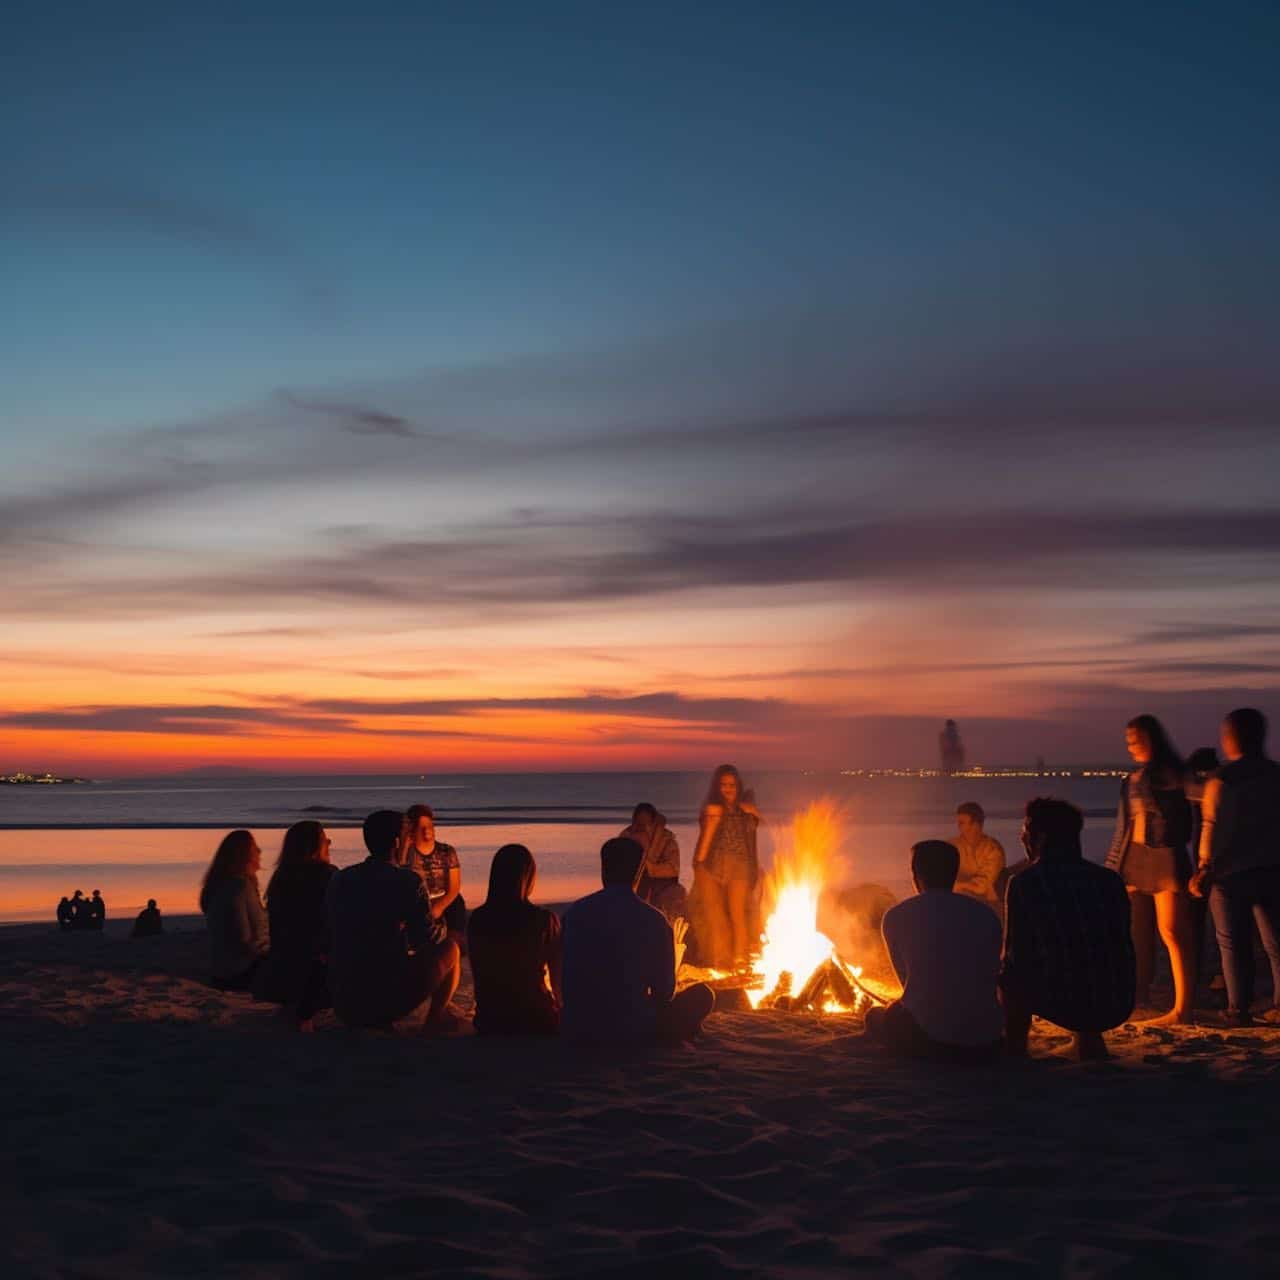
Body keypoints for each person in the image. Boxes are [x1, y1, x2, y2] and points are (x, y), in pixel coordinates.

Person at [1003, 797, 1136, 1059]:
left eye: (1025, 832)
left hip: (1065, 1001)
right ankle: (1090, 1040)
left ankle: (1015, 1048)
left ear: (1039, 837)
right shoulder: (1109, 880)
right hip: (1118, 1001)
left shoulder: (1025, 882)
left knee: (1008, 973)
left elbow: (1016, 954)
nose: (1022, 839)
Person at [562, 837, 714, 1047]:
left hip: (580, 1026)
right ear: (640, 872)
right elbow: (665, 992)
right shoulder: (655, 921)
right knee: (703, 995)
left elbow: (563, 978)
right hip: (632, 1027)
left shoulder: (575, 913)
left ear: (603, 870)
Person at [862, 841, 1003, 1062]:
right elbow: (990, 971)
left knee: (876, 1017)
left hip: (931, 1040)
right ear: (954, 874)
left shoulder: (896, 916)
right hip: (986, 1039)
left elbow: (906, 982)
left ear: (916, 875)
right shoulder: (985, 914)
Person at [326, 810, 460, 1032]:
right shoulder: (406, 881)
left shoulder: (341, 878)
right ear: (397, 842)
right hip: (383, 998)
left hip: (342, 998)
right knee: (450, 948)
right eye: (408, 837)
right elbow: (424, 939)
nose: (410, 842)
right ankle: (436, 1018)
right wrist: (444, 929)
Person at [1104, 714, 1196, 1024]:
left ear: (1153, 740)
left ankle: (1182, 1008)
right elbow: (1122, 829)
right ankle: (1134, 995)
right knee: (1130, 932)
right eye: (1128, 741)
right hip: (1134, 858)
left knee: (1171, 931)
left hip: (1165, 856)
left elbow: (1195, 811)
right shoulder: (1130, 780)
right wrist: (1111, 867)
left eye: (1137, 740)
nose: (1131, 746)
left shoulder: (1174, 776)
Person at [1191, 708, 1280, 1027]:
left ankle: (1238, 1009)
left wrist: (1204, 868)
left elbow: (1212, 827)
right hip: (1272, 866)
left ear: (1231, 737)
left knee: (1233, 943)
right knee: (1275, 942)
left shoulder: (1224, 779)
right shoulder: (1274, 774)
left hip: (1231, 873)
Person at [467, 844, 562, 1036]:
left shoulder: (477, 919)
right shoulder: (544, 919)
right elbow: (557, 978)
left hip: (490, 1020)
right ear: (529, 878)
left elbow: (479, 974)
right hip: (535, 1019)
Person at [253, 821, 337, 1028]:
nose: (329, 843)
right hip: (314, 968)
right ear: (316, 846)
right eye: (325, 840)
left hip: (280, 966)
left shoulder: (281, 877)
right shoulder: (327, 875)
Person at [691, 765, 761, 969]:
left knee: (737, 914)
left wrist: (753, 811)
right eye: (723, 785)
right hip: (716, 864)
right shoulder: (714, 809)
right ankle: (725, 960)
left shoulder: (745, 810)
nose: (727, 789)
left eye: (731, 785)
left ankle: (739, 959)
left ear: (738, 786)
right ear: (717, 787)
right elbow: (707, 837)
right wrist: (699, 863)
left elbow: (753, 836)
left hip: (740, 865)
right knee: (718, 916)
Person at [199, 830, 270, 990]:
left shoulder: (222, 885)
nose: (259, 851)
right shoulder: (238, 887)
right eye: (254, 848)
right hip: (239, 973)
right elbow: (242, 941)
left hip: (225, 970)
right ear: (243, 855)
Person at [403, 803, 467, 946]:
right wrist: (404, 847)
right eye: (422, 828)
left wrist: (439, 907)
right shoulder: (405, 854)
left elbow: (454, 887)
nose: (427, 831)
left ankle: (454, 945)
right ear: (412, 830)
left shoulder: (447, 851)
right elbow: (399, 878)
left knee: (457, 903)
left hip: (443, 898)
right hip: (418, 900)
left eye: (430, 826)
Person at [619, 803, 687, 920]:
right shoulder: (626, 838)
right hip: (632, 889)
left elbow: (673, 870)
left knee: (677, 895)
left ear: (653, 824)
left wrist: (649, 862)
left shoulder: (667, 840)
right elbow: (618, 869)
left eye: (646, 824)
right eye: (639, 824)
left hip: (662, 889)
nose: (643, 828)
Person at [951, 802, 1006, 914]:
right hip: (957, 905)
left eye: (961, 823)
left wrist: (956, 885)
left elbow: (983, 885)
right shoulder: (952, 847)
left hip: (988, 908)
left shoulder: (993, 849)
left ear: (976, 824)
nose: (958, 826)